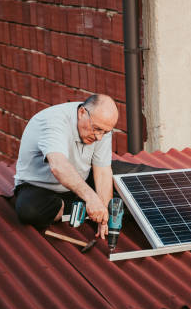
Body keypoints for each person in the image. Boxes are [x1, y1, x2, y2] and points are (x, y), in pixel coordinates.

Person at [14, 94, 118, 239]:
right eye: (97, 129)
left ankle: (80, 207)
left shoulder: (100, 124)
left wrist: (104, 215)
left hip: (80, 182)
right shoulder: (53, 121)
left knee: (125, 186)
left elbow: (102, 171)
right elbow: (58, 166)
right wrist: (92, 198)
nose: (99, 137)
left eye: (105, 132)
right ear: (82, 113)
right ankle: (73, 206)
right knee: (29, 210)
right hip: (40, 188)